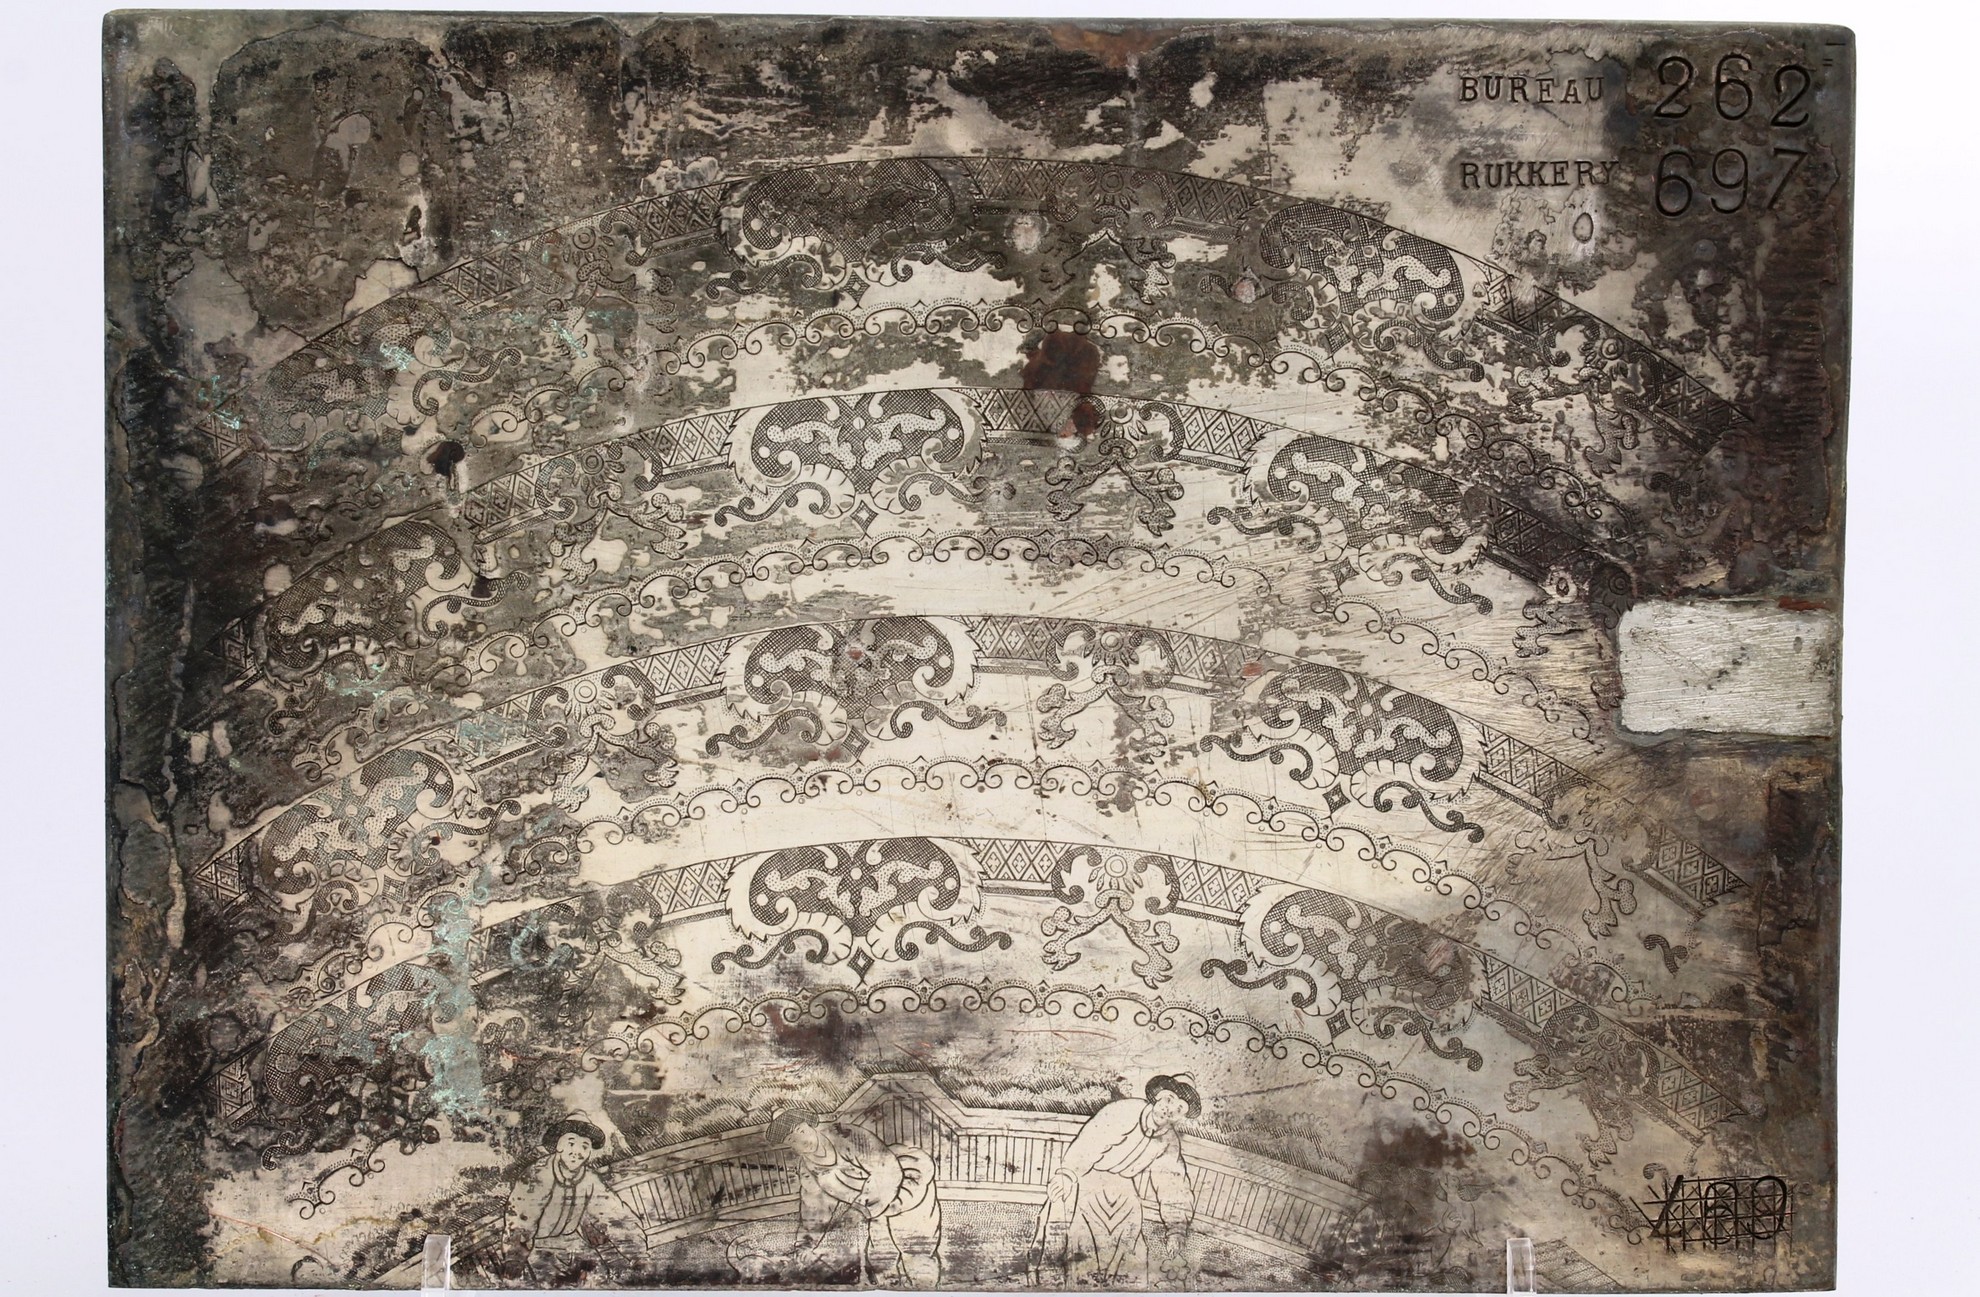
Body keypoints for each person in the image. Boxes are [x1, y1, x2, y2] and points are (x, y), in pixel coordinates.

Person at [1033, 1075, 1200, 1285]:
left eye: (1179, 1108)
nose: (1169, 1110)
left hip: (1123, 1186)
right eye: (1168, 1099)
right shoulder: (1124, 1111)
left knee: (1132, 1242)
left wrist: (1176, 1229)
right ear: (1158, 1095)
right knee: (1066, 1227)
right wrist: (1067, 1174)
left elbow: (1173, 1185)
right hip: (1087, 1174)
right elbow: (1088, 1142)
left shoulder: (1169, 1142)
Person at [754, 1108, 942, 1286]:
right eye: (792, 1139)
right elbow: (813, 1208)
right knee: (881, 1259)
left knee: (917, 1250)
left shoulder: (846, 1135)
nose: (802, 1141)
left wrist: (859, 1210)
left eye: (801, 1131)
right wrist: (805, 1245)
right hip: (870, 1208)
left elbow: (886, 1169)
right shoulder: (808, 1170)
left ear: (810, 1125)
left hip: (905, 1185)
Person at [501, 1115, 646, 1285]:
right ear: (559, 1146)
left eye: (584, 1146)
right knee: (549, 1284)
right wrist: (514, 1258)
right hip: (538, 1245)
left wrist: (637, 1254)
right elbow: (521, 1217)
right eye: (571, 1143)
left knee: (598, 1281)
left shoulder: (590, 1179)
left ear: (589, 1152)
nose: (577, 1152)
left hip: (574, 1241)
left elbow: (616, 1215)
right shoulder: (537, 1174)